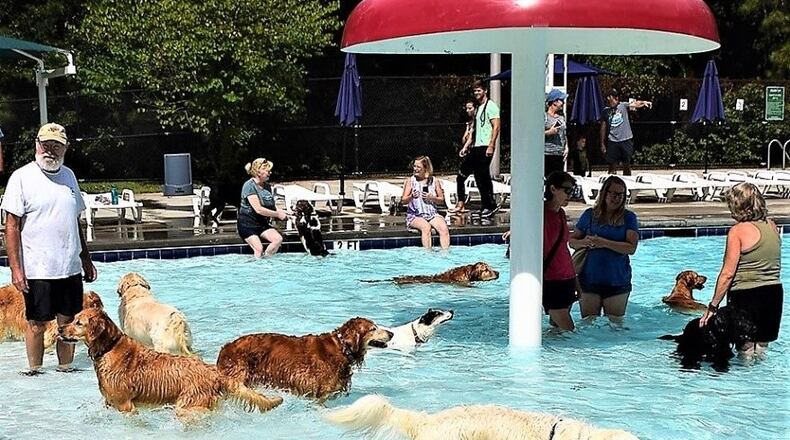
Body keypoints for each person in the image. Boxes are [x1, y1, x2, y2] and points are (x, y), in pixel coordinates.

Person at [0, 122, 97, 375]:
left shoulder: (69, 177)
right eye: (46, 145)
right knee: (36, 323)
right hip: (37, 268)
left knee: (68, 323)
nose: (50, 150)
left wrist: (85, 258)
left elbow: (75, 221)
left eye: (57, 145)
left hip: (69, 267)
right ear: (37, 145)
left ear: (65, 148)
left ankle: (65, 370)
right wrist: (16, 269)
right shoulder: (21, 178)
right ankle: (35, 372)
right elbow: (11, 226)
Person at [700, 182, 783, 357]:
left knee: (744, 349)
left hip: (746, 295)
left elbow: (727, 274)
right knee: (761, 348)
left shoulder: (737, 231)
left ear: (738, 205)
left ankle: (741, 383)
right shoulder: (773, 226)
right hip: (773, 294)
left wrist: (713, 307)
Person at [501, 171, 578, 331]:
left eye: (573, 190)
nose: (570, 195)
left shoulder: (561, 213)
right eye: (567, 190)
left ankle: (552, 356)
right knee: (568, 330)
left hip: (567, 277)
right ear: (552, 189)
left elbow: (563, 248)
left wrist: (576, 282)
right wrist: (515, 231)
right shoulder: (538, 213)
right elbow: (524, 223)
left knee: (557, 329)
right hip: (551, 279)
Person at [570, 175, 639, 322]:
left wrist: (604, 243)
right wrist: (586, 242)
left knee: (615, 326)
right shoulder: (589, 215)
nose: (617, 198)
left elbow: (631, 248)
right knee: (588, 324)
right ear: (604, 194)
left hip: (618, 281)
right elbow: (572, 242)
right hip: (588, 279)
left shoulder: (628, 218)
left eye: (621, 194)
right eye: (613, 193)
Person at [454, 81, 500, 218]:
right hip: (476, 147)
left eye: (479, 90)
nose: (476, 93)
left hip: (485, 146)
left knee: (482, 176)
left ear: (485, 90)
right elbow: (475, 130)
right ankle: (482, 204)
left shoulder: (491, 106)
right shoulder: (479, 108)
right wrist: (467, 146)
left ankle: (489, 205)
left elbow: (496, 126)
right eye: (475, 91)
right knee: (462, 175)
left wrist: (491, 144)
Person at [237, 158, 287, 257]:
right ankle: (256, 268)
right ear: (258, 172)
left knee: (278, 239)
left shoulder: (267, 186)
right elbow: (258, 209)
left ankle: (267, 260)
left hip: (262, 224)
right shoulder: (249, 186)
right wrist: (277, 215)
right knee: (259, 249)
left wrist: (286, 212)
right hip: (248, 224)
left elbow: (272, 207)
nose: (270, 173)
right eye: (267, 171)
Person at [401, 156, 450, 250]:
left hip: (432, 214)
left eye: (418, 167)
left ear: (426, 168)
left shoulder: (434, 181)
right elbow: (403, 200)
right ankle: (428, 254)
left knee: (443, 228)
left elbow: (441, 200)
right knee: (426, 227)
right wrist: (411, 196)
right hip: (415, 215)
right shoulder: (411, 181)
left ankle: (445, 254)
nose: (415, 169)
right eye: (414, 166)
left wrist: (432, 198)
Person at [599, 88, 652, 176]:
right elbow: (603, 128)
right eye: (614, 97)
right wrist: (602, 143)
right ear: (609, 98)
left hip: (625, 139)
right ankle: (612, 183)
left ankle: (627, 184)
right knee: (612, 166)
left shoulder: (622, 105)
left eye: (617, 96)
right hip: (612, 141)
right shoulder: (605, 111)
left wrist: (644, 102)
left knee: (626, 164)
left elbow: (635, 104)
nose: (616, 98)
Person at [450, 100, 476, 214]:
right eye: (467, 108)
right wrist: (467, 129)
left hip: (476, 153)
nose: (468, 111)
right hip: (470, 154)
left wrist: (464, 148)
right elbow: (465, 138)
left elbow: (470, 139)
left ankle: (461, 203)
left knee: (477, 179)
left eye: (470, 108)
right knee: (460, 178)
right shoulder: (470, 123)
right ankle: (461, 204)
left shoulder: (479, 122)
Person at [544, 88, 568, 177]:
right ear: (554, 102)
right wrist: (549, 132)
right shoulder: (544, 117)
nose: (563, 102)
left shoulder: (561, 117)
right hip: (548, 154)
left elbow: (564, 133)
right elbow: (536, 135)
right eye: (561, 100)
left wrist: (566, 147)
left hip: (559, 153)